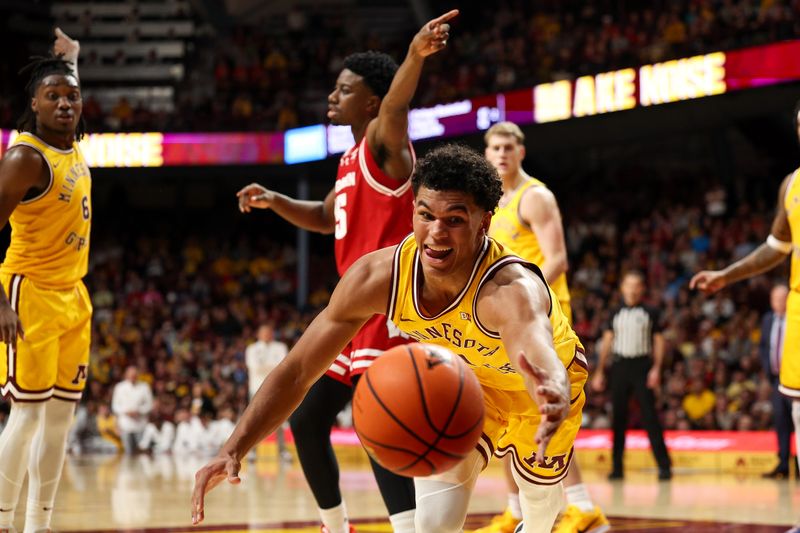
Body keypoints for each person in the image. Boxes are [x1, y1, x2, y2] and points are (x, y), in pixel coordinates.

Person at [192, 143, 589, 533]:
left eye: (455, 219)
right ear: (412, 210)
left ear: (484, 222)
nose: (436, 232)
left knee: (539, 507)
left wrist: (551, 387)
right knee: (432, 524)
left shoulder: (509, 288)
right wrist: (233, 447)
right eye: (425, 214)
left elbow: (535, 347)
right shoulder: (377, 278)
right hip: (464, 386)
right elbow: (298, 371)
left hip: (540, 389)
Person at [235, 10, 459, 533]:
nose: (332, 97)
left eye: (344, 90)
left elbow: (400, 103)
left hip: (391, 304)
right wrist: (275, 200)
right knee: (308, 420)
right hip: (352, 310)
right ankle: (336, 527)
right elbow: (322, 217)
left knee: (380, 417)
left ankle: (407, 528)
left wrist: (414, 56)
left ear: (372, 102)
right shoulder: (349, 160)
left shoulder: (387, 144)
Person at [475, 122, 608, 533]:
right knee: (506, 414)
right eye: (494, 147)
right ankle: (516, 510)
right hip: (506, 321)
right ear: (485, 153)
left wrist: (521, 300)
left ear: (521, 153)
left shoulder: (536, 197)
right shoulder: (489, 202)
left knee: (546, 417)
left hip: (542, 318)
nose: (501, 153)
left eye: (508, 146)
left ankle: (582, 507)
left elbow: (557, 259)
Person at [691, 103, 800, 533]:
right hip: (798, 307)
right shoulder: (791, 184)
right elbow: (776, 247)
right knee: (798, 413)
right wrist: (726, 275)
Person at [0, 28, 92, 533]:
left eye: (71, 96)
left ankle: (39, 525)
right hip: (29, 294)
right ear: (33, 104)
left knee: (59, 420)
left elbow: (69, 86)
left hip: (73, 296)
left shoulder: (72, 142)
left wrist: (72, 60)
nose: (64, 103)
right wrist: (0, 304)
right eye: (52, 96)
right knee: (27, 418)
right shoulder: (25, 157)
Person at [592, 271, 672, 480]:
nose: (633, 290)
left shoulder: (651, 312)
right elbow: (608, 340)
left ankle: (664, 466)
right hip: (619, 366)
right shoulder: (615, 312)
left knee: (650, 416)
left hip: (642, 366)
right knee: (618, 417)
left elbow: (659, 341)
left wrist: (656, 368)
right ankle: (617, 468)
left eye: (637, 286)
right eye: (629, 285)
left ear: (642, 289)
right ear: (622, 288)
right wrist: (600, 370)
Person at [759, 284, 795, 478]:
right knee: (780, 421)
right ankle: (783, 463)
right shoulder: (767, 319)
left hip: (795, 380)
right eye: (775, 299)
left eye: (782, 299)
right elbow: (764, 346)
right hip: (776, 380)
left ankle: (797, 463)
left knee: (797, 421)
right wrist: (767, 369)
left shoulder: (796, 319)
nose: (778, 303)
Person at [244, 323, 290, 461]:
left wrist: (266, 366)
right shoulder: (252, 349)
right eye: (264, 332)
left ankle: (282, 451)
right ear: (258, 334)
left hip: (276, 389)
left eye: (269, 332)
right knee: (253, 422)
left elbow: (283, 367)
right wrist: (272, 366)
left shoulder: (280, 347)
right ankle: (251, 451)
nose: (266, 335)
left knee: (280, 420)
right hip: (256, 389)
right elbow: (254, 367)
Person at [111, 365, 154, 454]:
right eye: (131, 375)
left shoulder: (144, 387)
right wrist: (126, 412)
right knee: (128, 452)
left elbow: (149, 405)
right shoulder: (119, 387)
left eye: (134, 375)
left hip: (140, 425)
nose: (133, 377)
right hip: (125, 425)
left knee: (141, 452)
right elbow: (115, 406)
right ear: (126, 375)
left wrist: (139, 411)